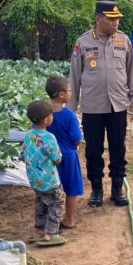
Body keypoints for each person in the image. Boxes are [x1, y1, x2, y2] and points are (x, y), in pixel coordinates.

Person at [68, 0, 133, 207]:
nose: (115, 23)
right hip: (92, 107)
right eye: (111, 19)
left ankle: (117, 189)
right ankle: (97, 189)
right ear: (98, 18)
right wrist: (70, 110)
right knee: (93, 150)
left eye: (117, 19)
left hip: (118, 105)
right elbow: (73, 76)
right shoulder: (83, 42)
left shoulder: (123, 40)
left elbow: (131, 71)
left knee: (118, 148)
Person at [21, 100, 67, 246]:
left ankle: (38, 229)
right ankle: (50, 233)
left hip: (35, 180)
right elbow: (58, 159)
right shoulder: (49, 138)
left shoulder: (29, 135)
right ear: (47, 119)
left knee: (40, 202)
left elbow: (22, 155)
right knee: (56, 203)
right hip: (50, 181)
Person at [46, 75, 83, 228]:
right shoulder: (69, 115)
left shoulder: (44, 114)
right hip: (67, 156)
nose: (71, 93)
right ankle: (68, 219)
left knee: (51, 190)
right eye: (69, 90)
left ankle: (49, 221)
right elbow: (76, 137)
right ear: (61, 94)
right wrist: (76, 143)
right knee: (71, 188)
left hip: (48, 158)